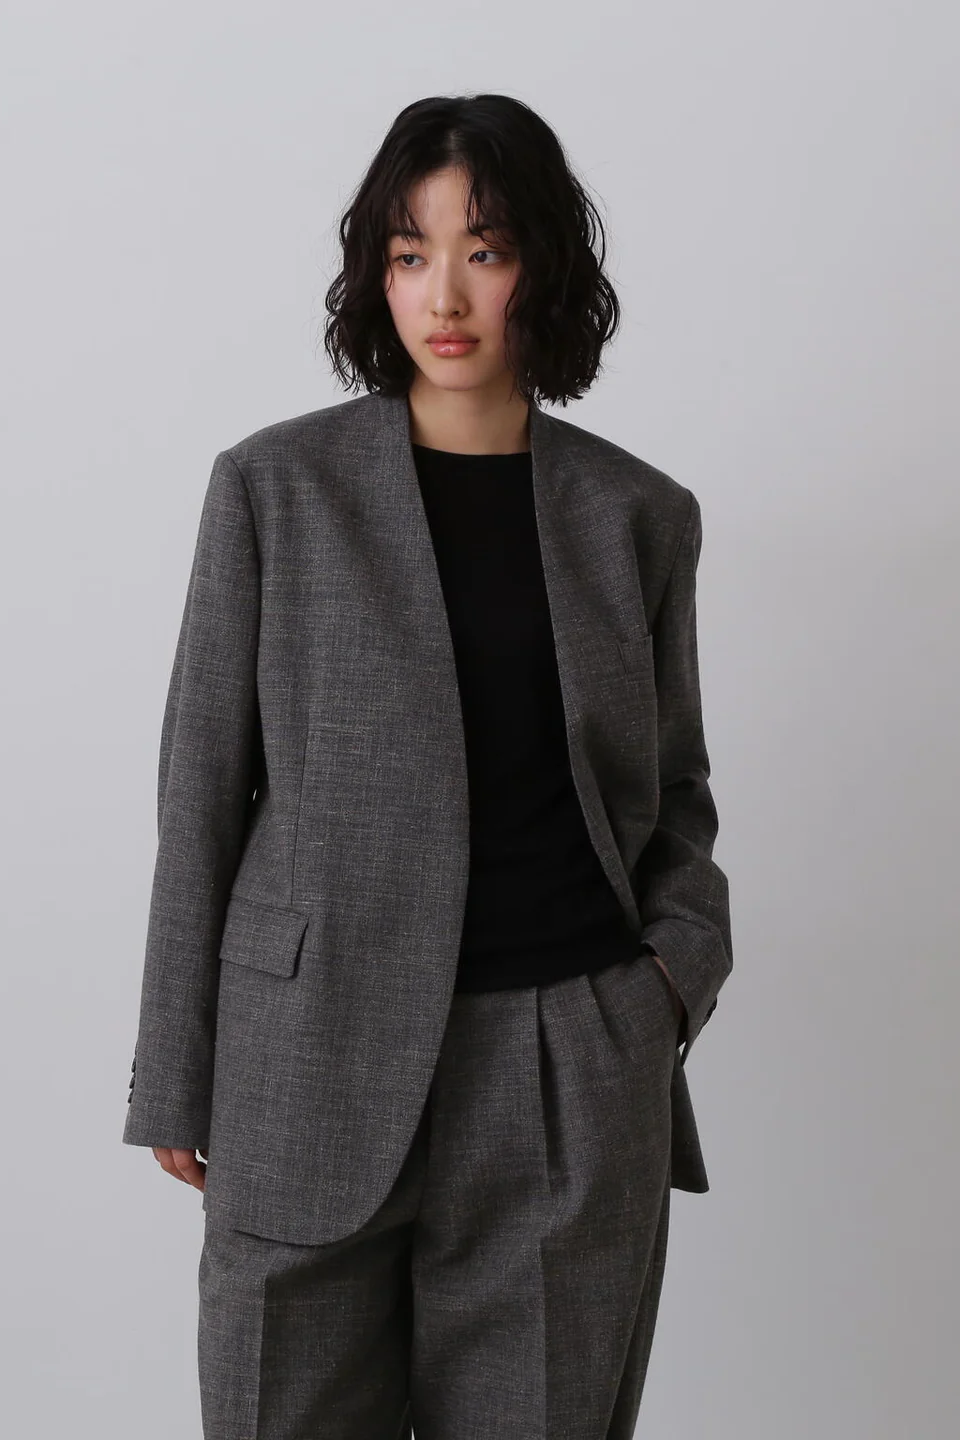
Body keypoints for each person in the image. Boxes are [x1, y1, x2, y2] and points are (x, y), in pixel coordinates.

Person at [122, 91, 733, 1439]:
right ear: (376, 277)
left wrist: (664, 985)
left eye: (485, 250)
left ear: (544, 270)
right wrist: (176, 1062)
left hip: (566, 1069)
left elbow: (675, 792)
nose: (444, 295)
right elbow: (202, 790)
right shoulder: (274, 489)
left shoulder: (638, 515)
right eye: (410, 254)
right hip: (304, 1057)